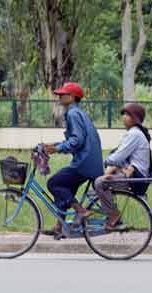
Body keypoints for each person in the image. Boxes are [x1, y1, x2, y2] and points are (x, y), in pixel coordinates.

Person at [41, 82, 103, 237]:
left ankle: (81, 211)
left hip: (84, 163)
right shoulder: (79, 112)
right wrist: (55, 146)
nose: (59, 97)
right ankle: (59, 227)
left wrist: (57, 148)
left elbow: (77, 140)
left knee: (54, 183)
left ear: (73, 97)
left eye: (63, 94)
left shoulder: (72, 114)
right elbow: (76, 140)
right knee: (64, 190)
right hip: (90, 162)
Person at [94, 103, 152, 230]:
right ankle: (110, 212)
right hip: (133, 175)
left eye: (127, 115)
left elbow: (118, 157)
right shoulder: (135, 133)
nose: (123, 117)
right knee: (100, 183)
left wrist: (106, 161)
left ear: (135, 118)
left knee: (99, 183)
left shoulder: (134, 134)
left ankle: (114, 215)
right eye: (123, 114)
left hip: (136, 179)